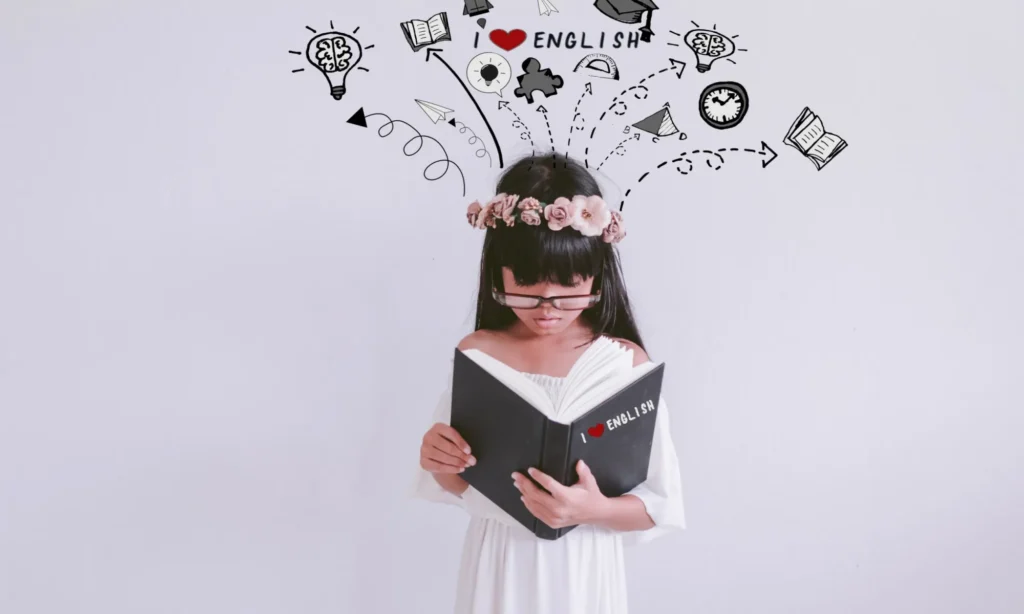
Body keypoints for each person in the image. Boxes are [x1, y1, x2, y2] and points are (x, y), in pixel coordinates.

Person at [412, 152, 685, 614]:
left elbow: (659, 503)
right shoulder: (478, 353)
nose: (548, 306)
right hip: (499, 564)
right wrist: (439, 458)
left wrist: (590, 510)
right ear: (498, 272)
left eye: (569, 284)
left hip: (583, 569)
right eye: (527, 284)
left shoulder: (624, 362)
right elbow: (457, 482)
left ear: (597, 274)